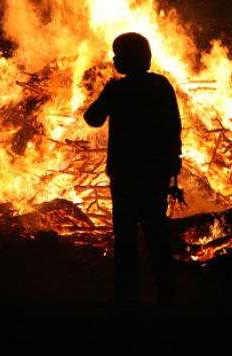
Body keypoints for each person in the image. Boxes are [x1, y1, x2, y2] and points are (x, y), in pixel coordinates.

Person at [83, 32, 182, 310]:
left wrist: (106, 91)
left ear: (129, 58)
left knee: (125, 237)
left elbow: (92, 118)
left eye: (119, 54)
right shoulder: (162, 85)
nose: (114, 59)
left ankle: (128, 298)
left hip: (126, 176)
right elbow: (174, 126)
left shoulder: (119, 90)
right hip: (155, 174)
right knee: (157, 234)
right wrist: (173, 162)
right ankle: (167, 296)